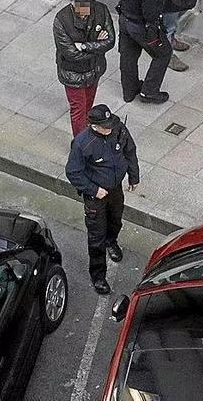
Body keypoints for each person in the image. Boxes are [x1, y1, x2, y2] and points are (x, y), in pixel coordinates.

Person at [65, 104, 139, 294]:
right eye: (105, 126)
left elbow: (129, 151)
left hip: (115, 189)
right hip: (96, 196)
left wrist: (133, 176)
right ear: (94, 126)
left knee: (115, 221)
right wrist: (93, 189)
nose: (110, 129)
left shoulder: (118, 129)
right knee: (96, 237)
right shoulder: (83, 143)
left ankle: (111, 241)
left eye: (111, 124)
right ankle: (98, 276)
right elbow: (73, 172)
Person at [109, 0, 173, 104]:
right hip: (141, 27)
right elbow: (151, 15)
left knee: (128, 55)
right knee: (163, 53)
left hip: (124, 20)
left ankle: (129, 91)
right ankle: (149, 91)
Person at [53, 0, 116, 136]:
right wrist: (97, 47)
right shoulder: (62, 20)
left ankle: (88, 134)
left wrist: (84, 46)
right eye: (81, 5)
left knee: (89, 105)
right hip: (73, 73)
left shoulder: (100, 10)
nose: (86, 9)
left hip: (94, 69)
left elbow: (110, 41)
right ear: (72, 3)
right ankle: (82, 145)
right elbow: (71, 54)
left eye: (87, 4)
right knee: (78, 110)